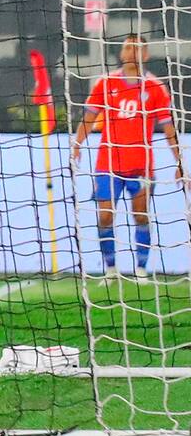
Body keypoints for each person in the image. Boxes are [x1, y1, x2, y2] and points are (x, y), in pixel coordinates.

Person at [71, 34, 184, 280]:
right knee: (105, 215)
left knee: (141, 214)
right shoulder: (106, 83)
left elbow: (168, 128)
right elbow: (89, 118)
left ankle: (141, 269)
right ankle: (110, 268)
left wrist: (179, 162)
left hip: (141, 166)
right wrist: (77, 143)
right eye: (127, 47)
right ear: (121, 53)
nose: (131, 51)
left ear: (145, 55)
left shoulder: (155, 88)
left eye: (136, 48)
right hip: (108, 164)